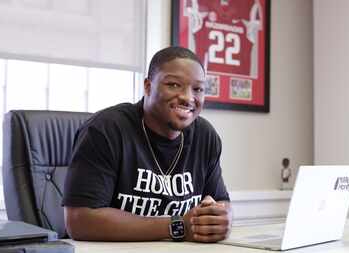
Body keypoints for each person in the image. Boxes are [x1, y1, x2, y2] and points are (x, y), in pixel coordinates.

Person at [63, 46, 232, 242]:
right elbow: (80, 221)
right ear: (148, 87)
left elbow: (221, 202)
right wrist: (178, 226)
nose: (188, 97)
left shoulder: (205, 136)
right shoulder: (105, 130)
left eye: (198, 89)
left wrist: (223, 219)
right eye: (174, 85)